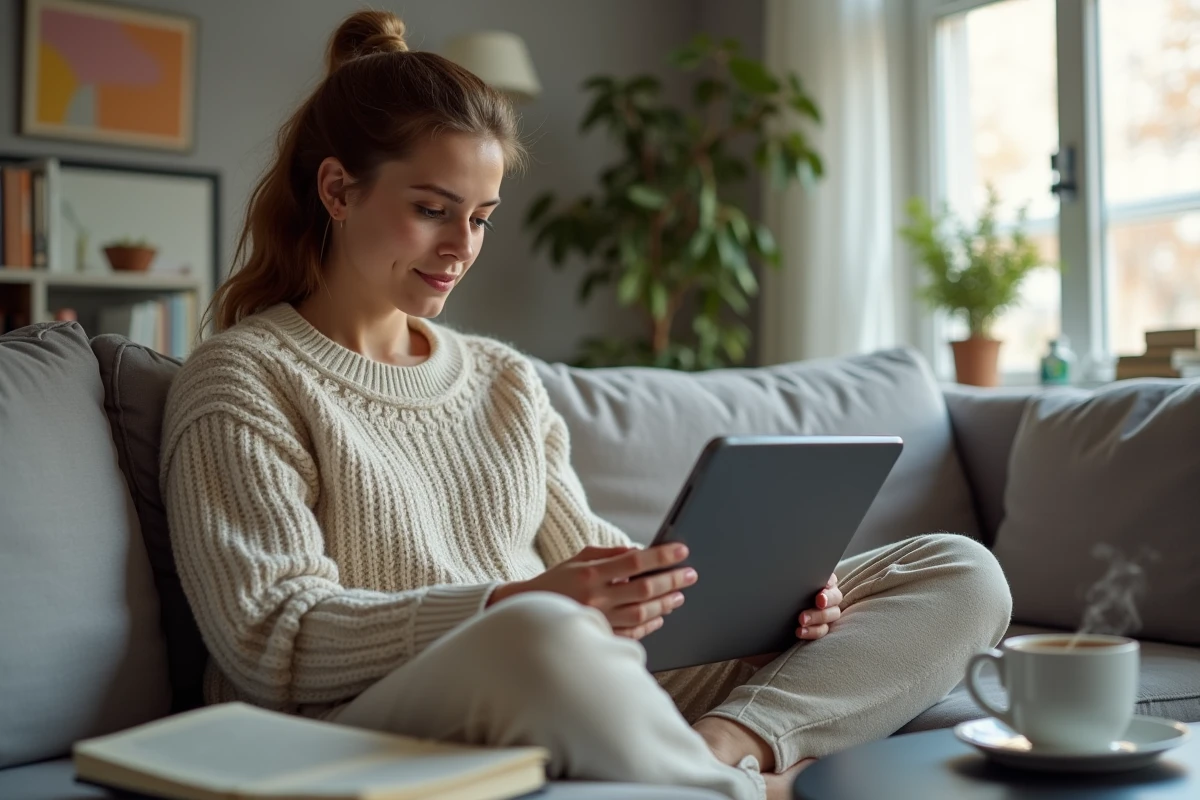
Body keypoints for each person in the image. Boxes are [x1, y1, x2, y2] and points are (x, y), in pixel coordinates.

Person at [159, 11, 1013, 800]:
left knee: (957, 569)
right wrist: (511, 602)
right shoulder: (242, 378)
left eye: (482, 218)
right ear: (338, 190)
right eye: (432, 211)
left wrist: (756, 602)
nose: (461, 248)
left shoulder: (501, 378)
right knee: (541, 634)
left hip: (568, 673)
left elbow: (593, 563)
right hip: (365, 714)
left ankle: (729, 748)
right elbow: (272, 639)